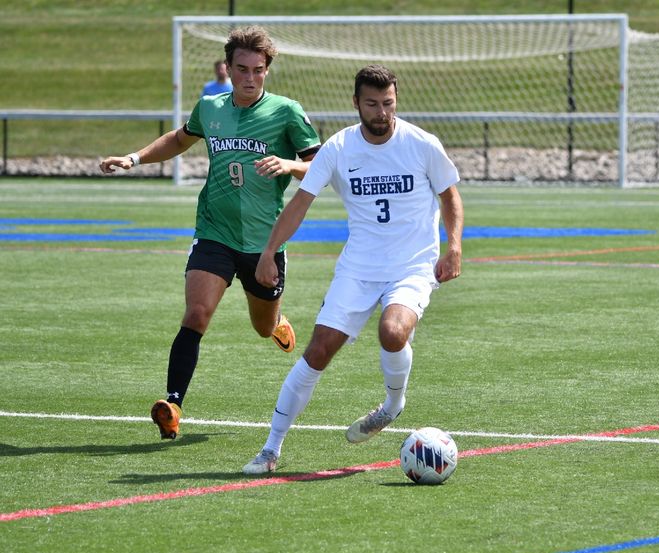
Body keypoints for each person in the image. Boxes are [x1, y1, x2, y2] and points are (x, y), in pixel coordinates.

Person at [99, 26, 321, 440]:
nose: (249, 78)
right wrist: (135, 158)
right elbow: (179, 139)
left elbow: (323, 166)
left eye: (257, 70)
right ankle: (173, 404)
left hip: (263, 243)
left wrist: (290, 166)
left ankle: (275, 324)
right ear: (229, 69)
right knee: (197, 314)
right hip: (214, 232)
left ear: (267, 70)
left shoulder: (287, 112)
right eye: (242, 69)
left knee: (261, 325)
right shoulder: (211, 107)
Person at [242, 64, 464, 475]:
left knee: (393, 330)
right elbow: (299, 204)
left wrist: (453, 247)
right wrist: (269, 250)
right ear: (356, 104)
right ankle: (270, 449)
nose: (382, 113)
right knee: (318, 351)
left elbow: (450, 195)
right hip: (359, 267)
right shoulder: (339, 148)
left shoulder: (421, 143)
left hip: (412, 264)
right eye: (373, 104)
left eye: (389, 104)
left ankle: (393, 404)